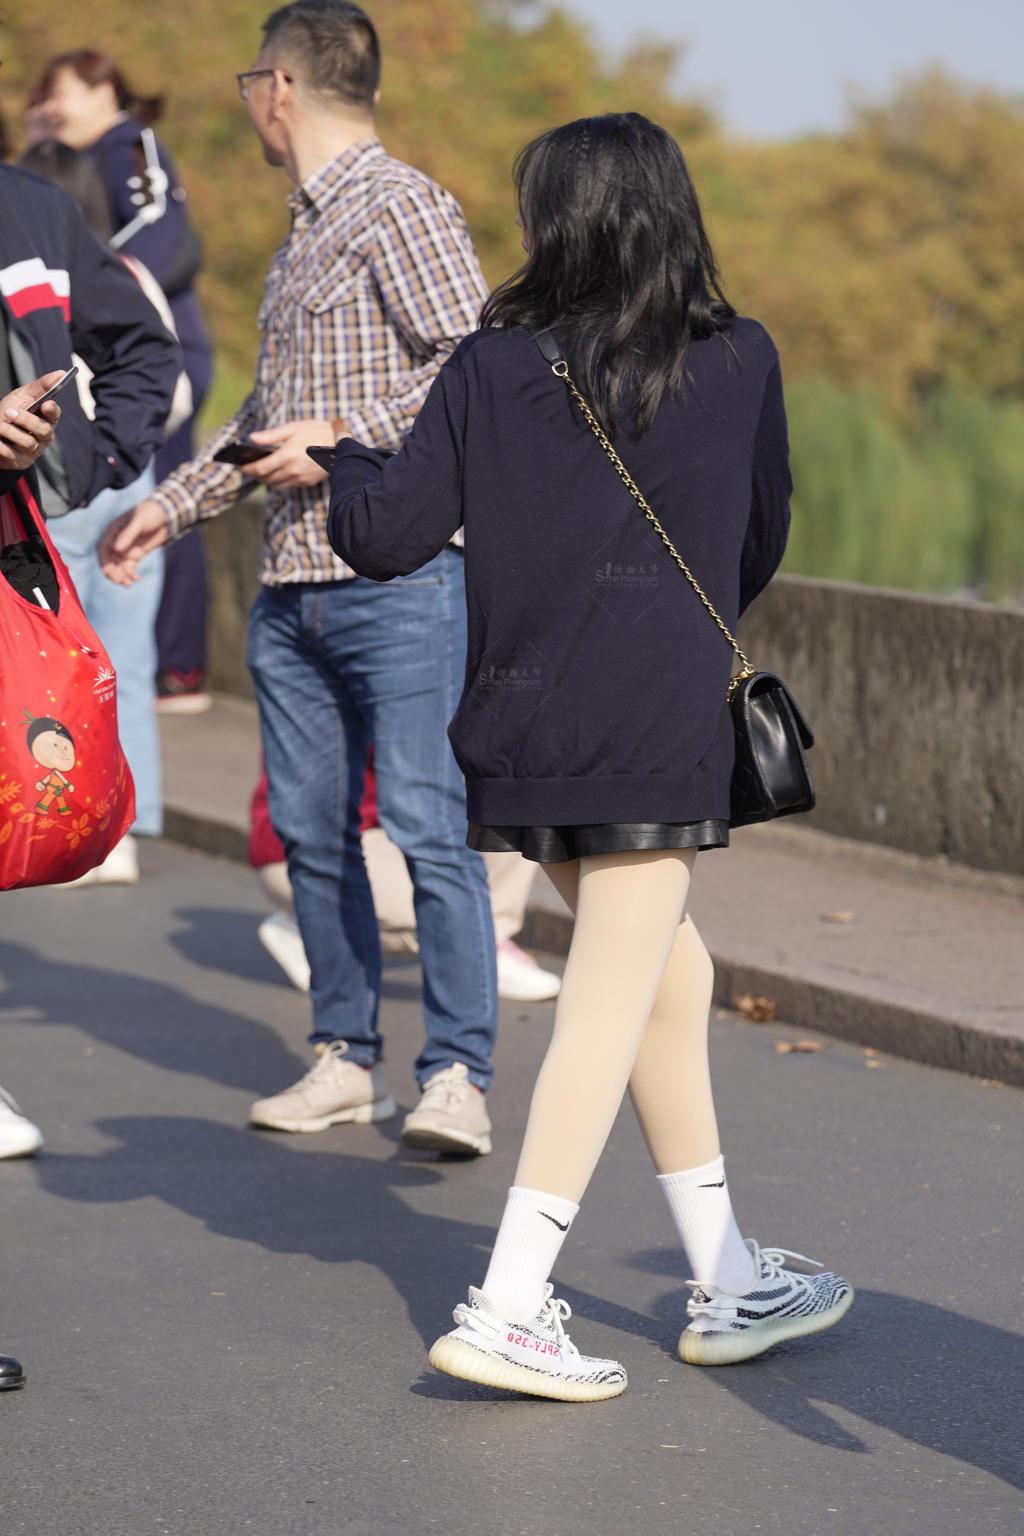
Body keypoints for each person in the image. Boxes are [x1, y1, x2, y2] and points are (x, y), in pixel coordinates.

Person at [326, 113, 854, 1400]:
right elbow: (759, 534)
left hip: (520, 727)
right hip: (651, 729)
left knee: (671, 976)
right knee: (612, 1001)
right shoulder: (738, 360)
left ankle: (729, 1274)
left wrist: (341, 459)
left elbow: (388, 538)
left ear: (554, 222)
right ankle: (510, 1302)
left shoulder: (488, 367)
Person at [100, 0, 499, 1157]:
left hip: (406, 579)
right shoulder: (297, 241)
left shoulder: (402, 204)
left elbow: (476, 365)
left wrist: (340, 431)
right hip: (292, 587)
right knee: (314, 841)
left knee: (429, 830)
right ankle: (343, 1058)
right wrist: (162, 512)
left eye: (247, 89)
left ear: (279, 88)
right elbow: (261, 423)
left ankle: (458, 1074)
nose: (250, 111)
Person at [17, 138, 191, 884]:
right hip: (53, 515)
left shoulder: (30, 211)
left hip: (35, 522)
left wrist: (99, 465)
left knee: (104, 658)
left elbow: (149, 351)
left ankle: (110, 818)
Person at [32, 48, 215, 712]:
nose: (48, 111)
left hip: (157, 348)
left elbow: (166, 232)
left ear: (104, 89)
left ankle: (182, 663)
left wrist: (89, 286)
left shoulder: (131, 143)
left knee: (165, 500)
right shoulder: (81, 161)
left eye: (58, 95)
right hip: (125, 346)